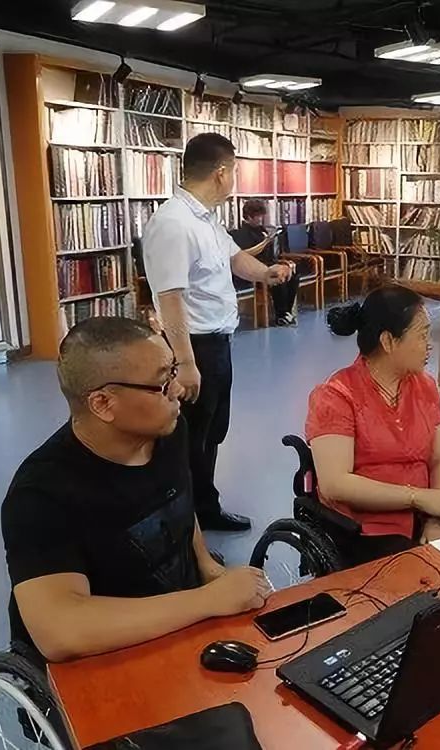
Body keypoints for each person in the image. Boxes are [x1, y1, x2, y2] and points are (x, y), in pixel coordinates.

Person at [1, 318, 271, 664]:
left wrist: (209, 570)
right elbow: (61, 631)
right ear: (103, 403)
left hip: (179, 628)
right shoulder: (40, 494)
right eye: (162, 383)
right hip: (105, 658)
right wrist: (208, 600)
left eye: (173, 372)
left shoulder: (169, 431)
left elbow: (179, 507)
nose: (178, 390)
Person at [142, 133, 292, 532]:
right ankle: (183, 528)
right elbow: (170, 298)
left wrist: (267, 273)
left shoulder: (206, 219)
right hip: (193, 348)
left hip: (218, 345)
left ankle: (205, 508)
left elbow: (235, 259)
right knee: (187, 440)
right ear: (221, 173)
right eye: (235, 171)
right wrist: (185, 363)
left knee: (210, 433)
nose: (235, 179)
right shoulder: (174, 224)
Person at [306, 286, 440, 567]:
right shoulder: (337, 396)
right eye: (422, 335)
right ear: (388, 341)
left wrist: (437, 519)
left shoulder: (424, 386)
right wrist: (417, 498)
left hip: (426, 514)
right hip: (367, 529)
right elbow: (335, 483)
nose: (429, 344)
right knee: (430, 575)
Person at [229, 199, 300, 326]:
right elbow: (245, 254)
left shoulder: (261, 230)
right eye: (258, 216)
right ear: (249, 216)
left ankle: (287, 311)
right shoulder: (239, 234)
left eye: (262, 216)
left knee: (292, 274)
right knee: (278, 277)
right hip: (252, 269)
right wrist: (265, 242)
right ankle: (281, 314)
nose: (261, 219)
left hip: (268, 263)